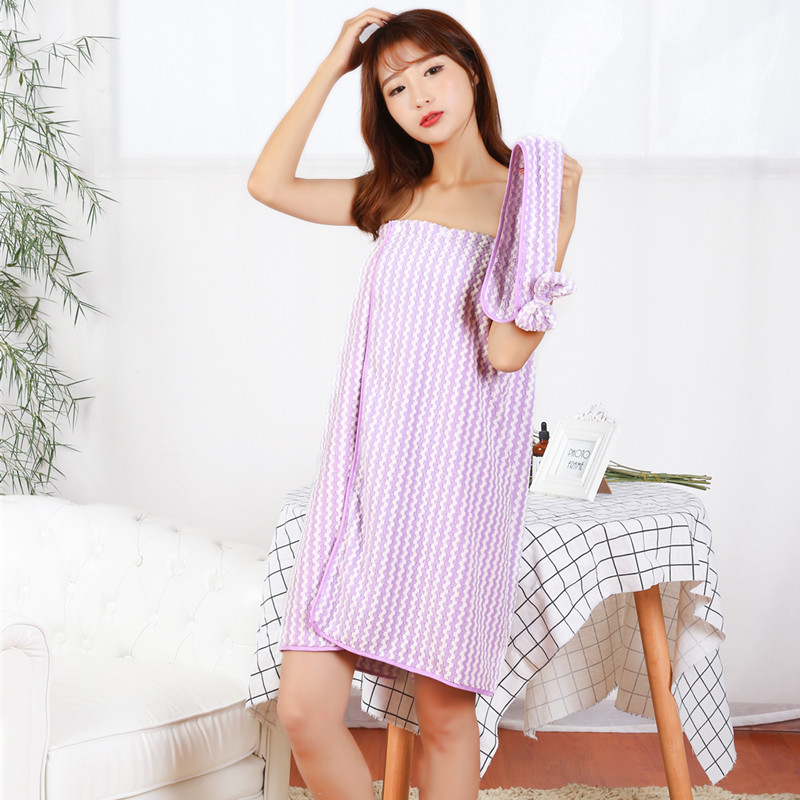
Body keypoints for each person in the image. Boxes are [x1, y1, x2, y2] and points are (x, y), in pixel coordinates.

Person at [247, 8, 582, 800]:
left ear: (471, 69)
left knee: (444, 719)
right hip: (361, 480)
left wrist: (556, 219)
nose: (419, 95)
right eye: (395, 87)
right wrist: (336, 64)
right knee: (304, 711)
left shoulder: (526, 194)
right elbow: (269, 183)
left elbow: (506, 351)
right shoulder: (392, 193)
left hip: (453, 488)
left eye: (432, 70)